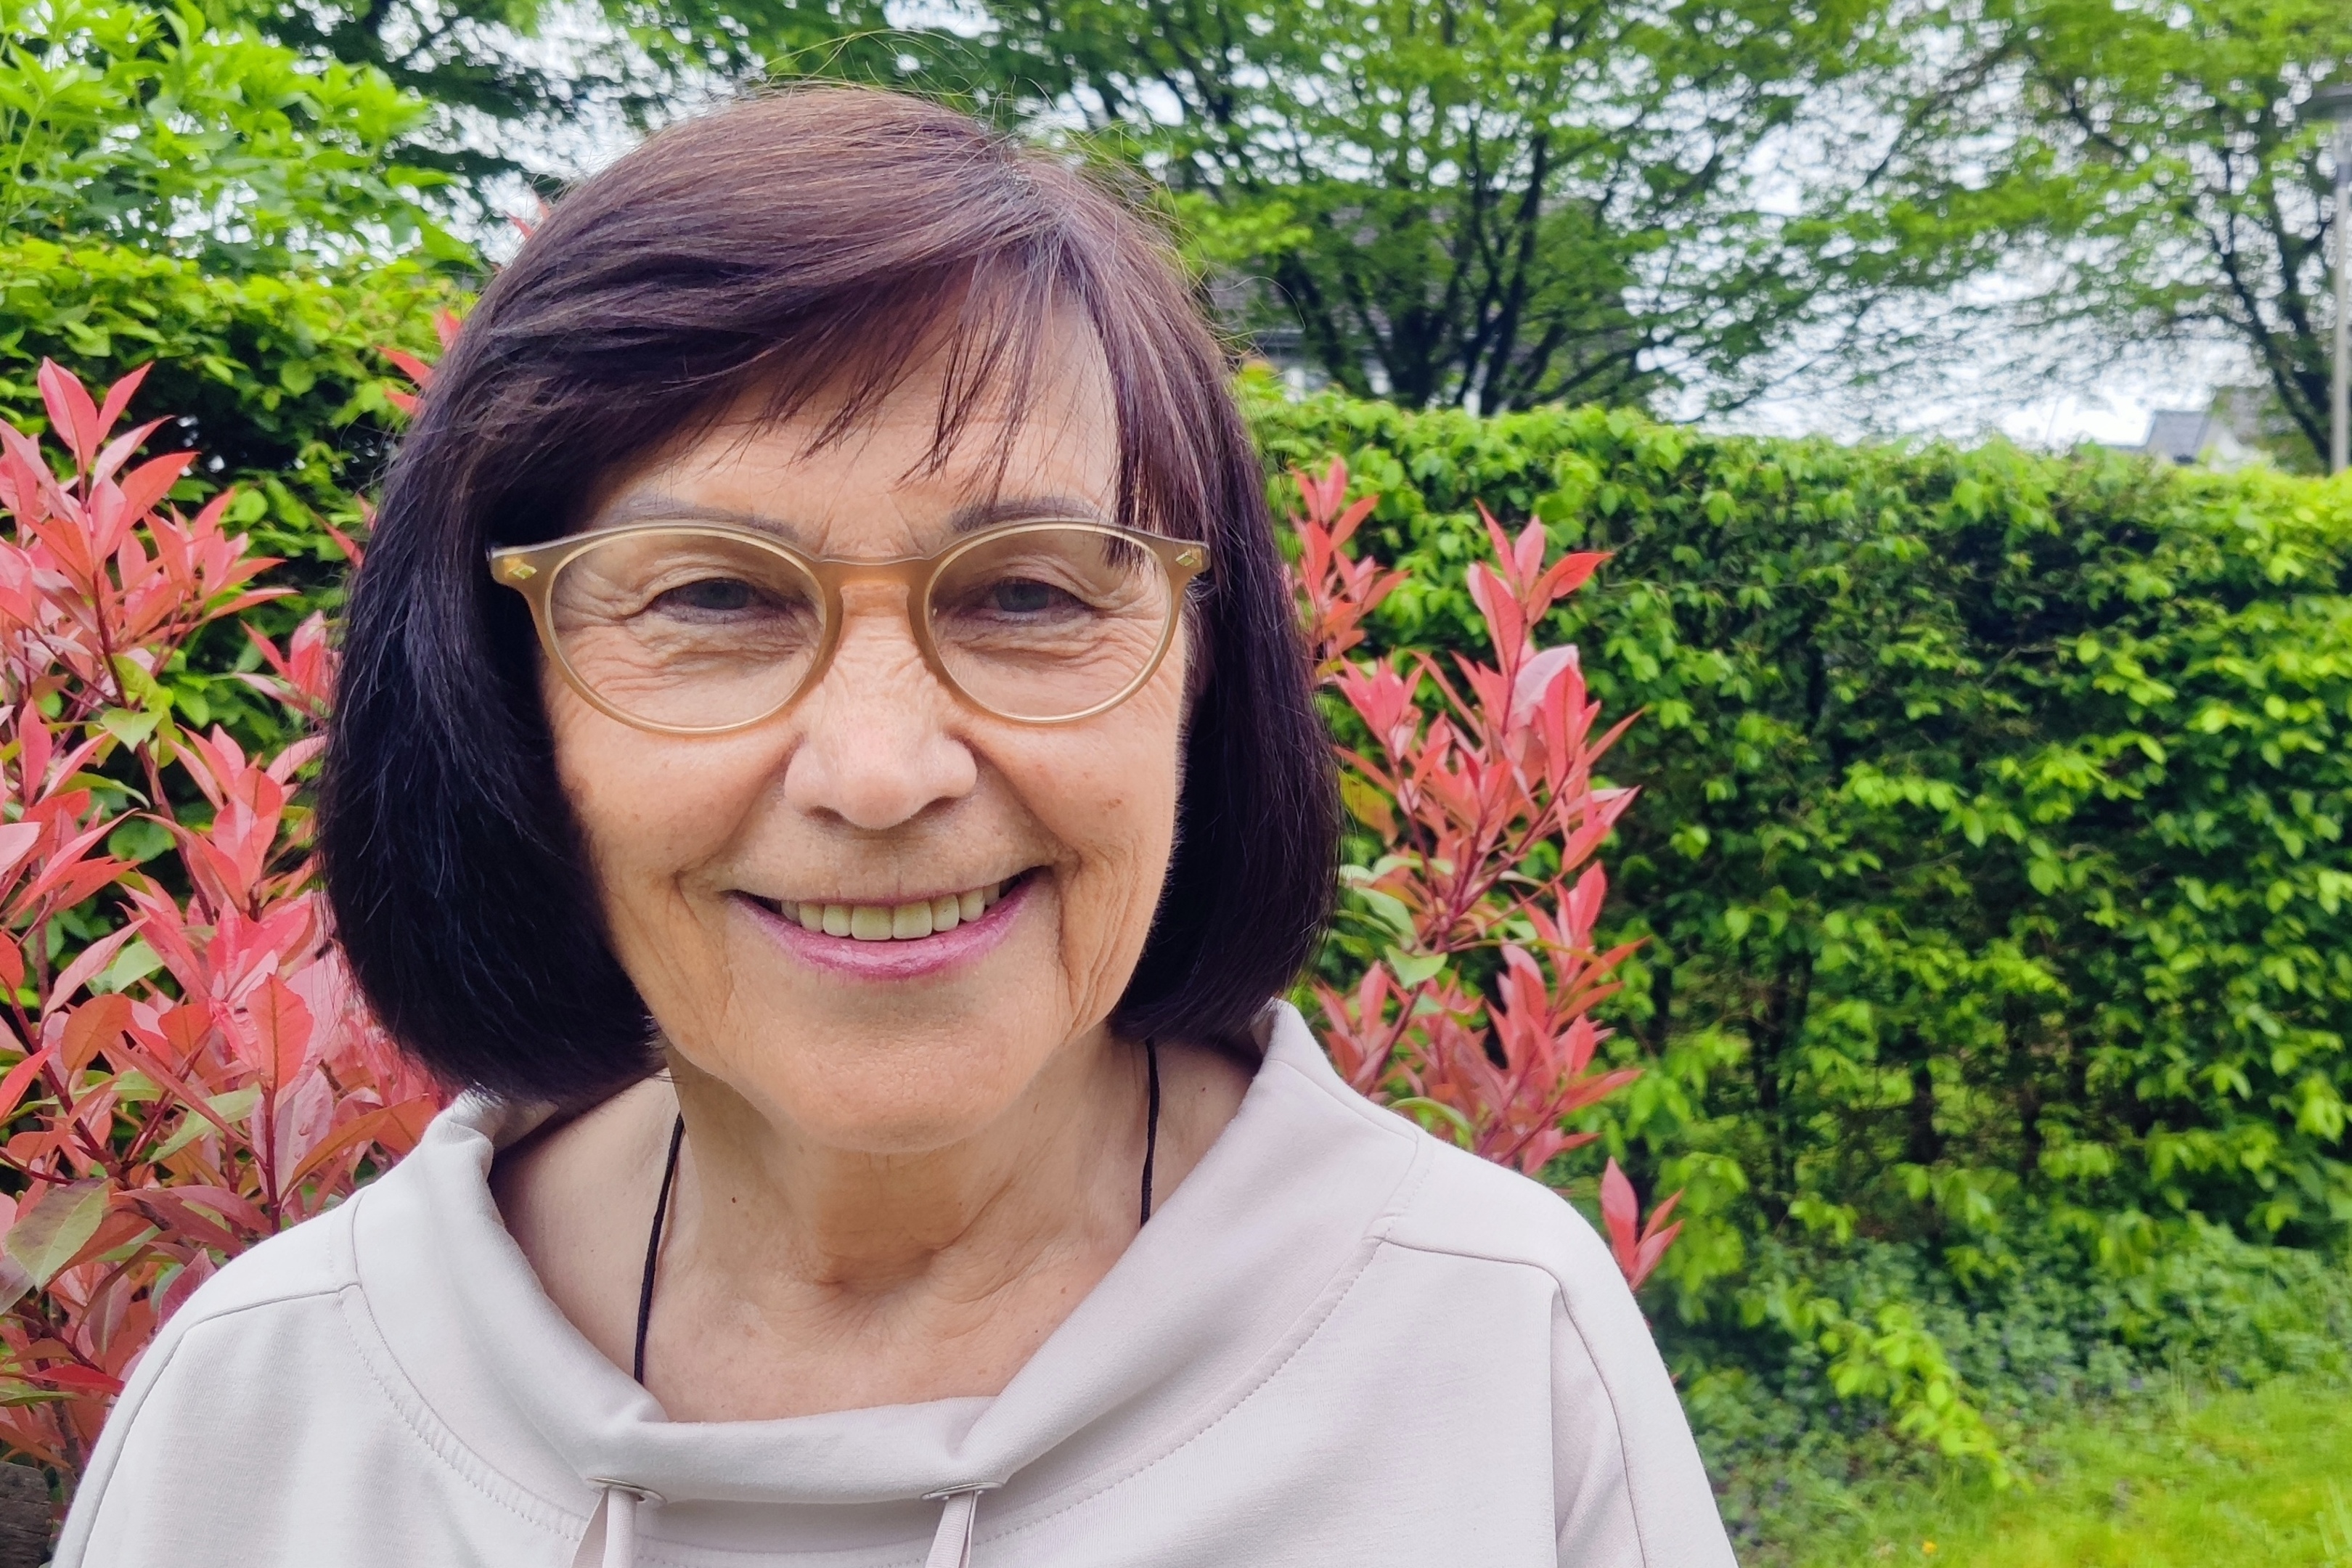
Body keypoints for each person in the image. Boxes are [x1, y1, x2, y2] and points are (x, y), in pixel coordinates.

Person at [56, 87, 1737, 1568]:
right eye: (712, 597)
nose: (880, 773)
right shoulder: (268, 1404)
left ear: (1202, 676)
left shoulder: (1490, 1353)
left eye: (1028, 593)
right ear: (511, 695)